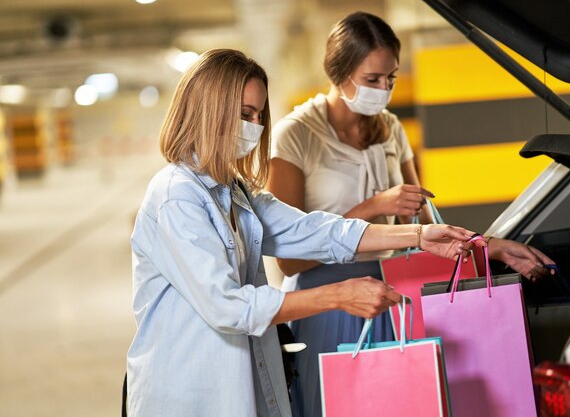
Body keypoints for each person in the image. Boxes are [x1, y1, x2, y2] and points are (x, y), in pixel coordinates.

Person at [126, 48, 482, 417]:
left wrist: (418, 235)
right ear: (208, 111)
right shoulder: (176, 198)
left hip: (238, 390)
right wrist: (338, 296)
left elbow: (316, 231)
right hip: (187, 393)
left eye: (259, 114)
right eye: (244, 114)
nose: (255, 125)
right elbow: (229, 307)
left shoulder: (235, 192)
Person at [267, 11, 556, 417]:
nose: (383, 89)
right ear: (339, 72)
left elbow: (420, 233)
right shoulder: (295, 134)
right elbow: (288, 258)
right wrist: (373, 207)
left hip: (394, 299)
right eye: (372, 80)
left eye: (392, 78)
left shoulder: (392, 130)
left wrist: (488, 247)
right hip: (326, 305)